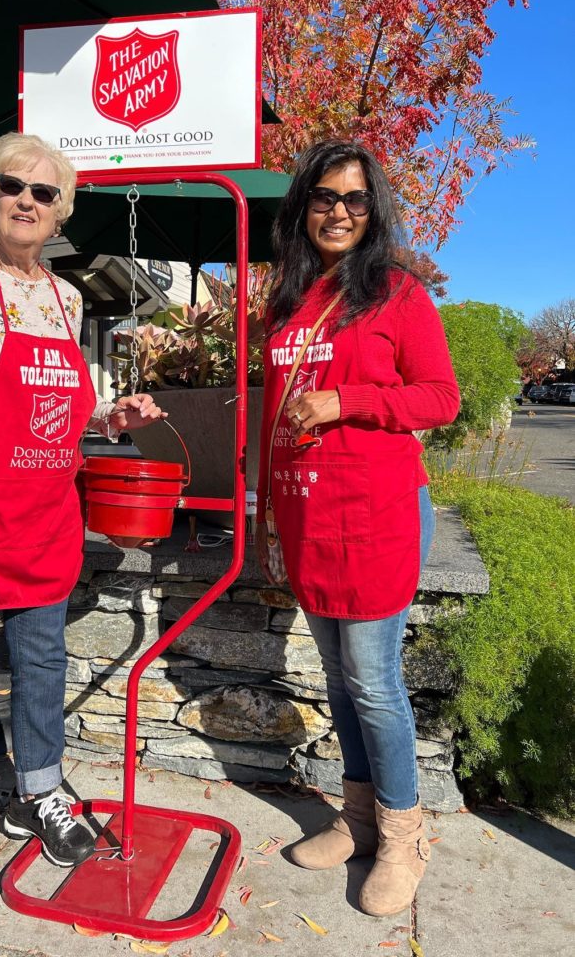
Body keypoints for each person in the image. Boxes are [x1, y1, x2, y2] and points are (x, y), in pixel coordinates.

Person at [0, 131, 165, 881]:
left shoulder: (64, 296)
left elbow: (61, 411)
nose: (26, 201)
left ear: (59, 211)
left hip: (45, 519)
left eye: (43, 193)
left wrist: (112, 422)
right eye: (14, 186)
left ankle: (37, 793)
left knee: (44, 665)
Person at [255, 140, 460, 918]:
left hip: (376, 514)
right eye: (322, 197)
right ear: (301, 206)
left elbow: (440, 398)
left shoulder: (397, 294)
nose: (337, 212)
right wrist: (265, 515)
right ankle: (360, 817)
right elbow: (268, 420)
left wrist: (349, 401)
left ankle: (404, 834)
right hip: (307, 512)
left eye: (354, 200)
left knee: (373, 682)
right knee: (338, 680)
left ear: (372, 212)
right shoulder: (285, 303)